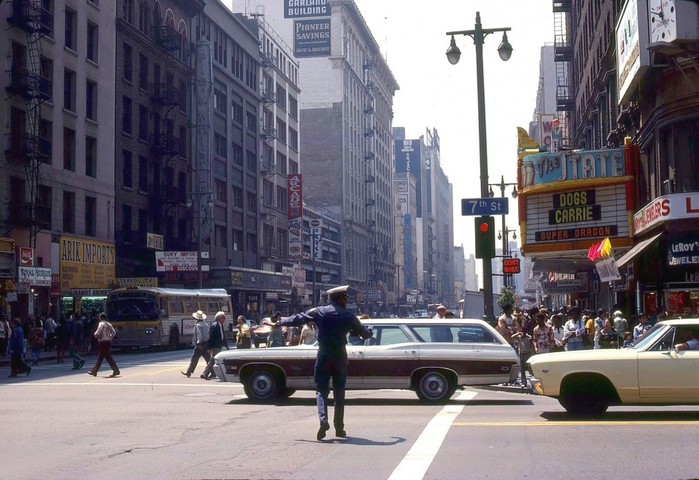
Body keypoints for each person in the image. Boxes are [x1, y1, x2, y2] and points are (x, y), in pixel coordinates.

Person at [274, 285, 372, 440]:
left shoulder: (319, 311)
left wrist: (279, 322)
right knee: (339, 393)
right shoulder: (348, 315)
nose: (347, 301)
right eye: (345, 298)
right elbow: (364, 335)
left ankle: (323, 421)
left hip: (323, 354)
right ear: (340, 299)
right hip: (340, 356)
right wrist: (368, 331)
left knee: (321, 391)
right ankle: (339, 429)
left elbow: (299, 318)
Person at [87, 313, 120, 377]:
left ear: (101, 318)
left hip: (102, 342)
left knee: (102, 357)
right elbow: (114, 333)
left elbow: (98, 331)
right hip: (108, 342)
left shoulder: (101, 324)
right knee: (105, 357)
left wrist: (95, 335)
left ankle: (94, 371)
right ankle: (115, 371)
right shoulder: (109, 324)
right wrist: (110, 338)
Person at [181, 310, 210, 378]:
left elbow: (199, 335)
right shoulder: (206, 324)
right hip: (206, 343)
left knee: (194, 358)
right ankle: (213, 372)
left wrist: (199, 343)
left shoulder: (198, 325)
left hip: (200, 344)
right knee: (207, 359)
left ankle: (189, 372)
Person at [201, 311, 229, 380]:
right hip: (215, 346)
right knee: (213, 360)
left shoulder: (220, 325)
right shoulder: (215, 326)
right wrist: (209, 348)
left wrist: (226, 345)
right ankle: (205, 374)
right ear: (219, 318)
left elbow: (222, 336)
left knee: (214, 360)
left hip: (219, 345)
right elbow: (211, 338)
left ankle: (210, 374)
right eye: (223, 318)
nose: (224, 319)